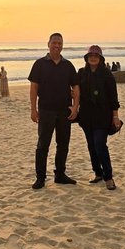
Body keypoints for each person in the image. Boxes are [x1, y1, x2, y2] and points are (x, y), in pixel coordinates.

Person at [28, 33, 79, 190]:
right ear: (48, 44)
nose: (57, 45)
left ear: (62, 45)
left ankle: (60, 175)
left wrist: (75, 107)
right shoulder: (39, 64)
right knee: (43, 145)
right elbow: (34, 87)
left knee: (63, 144)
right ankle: (40, 178)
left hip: (64, 111)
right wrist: (33, 109)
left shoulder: (68, 65)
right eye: (54, 43)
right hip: (46, 110)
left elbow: (76, 87)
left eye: (60, 43)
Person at [78, 45, 121, 190]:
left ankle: (108, 177)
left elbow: (113, 98)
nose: (93, 57)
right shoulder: (82, 73)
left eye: (96, 55)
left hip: (103, 116)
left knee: (100, 146)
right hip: (86, 116)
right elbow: (75, 90)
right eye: (91, 55)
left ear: (101, 58)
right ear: (87, 58)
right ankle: (98, 173)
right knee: (91, 146)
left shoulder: (107, 74)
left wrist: (115, 117)